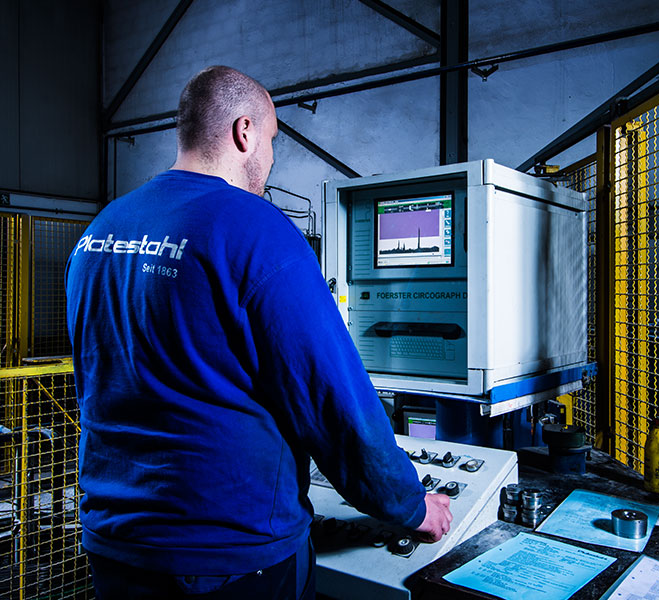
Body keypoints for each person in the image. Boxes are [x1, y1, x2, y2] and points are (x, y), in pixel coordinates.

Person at [65, 65, 453, 600]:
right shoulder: (256, 230)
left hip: (115, 545)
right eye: (271, 141)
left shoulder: (101, 231)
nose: (270, 161)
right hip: (228, 556)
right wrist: (409, 504)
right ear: (244, 131)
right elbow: (332, 398)